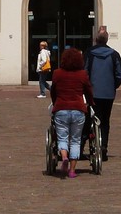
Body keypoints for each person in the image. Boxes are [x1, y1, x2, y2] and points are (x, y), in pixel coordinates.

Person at [49, 46, 92, 179]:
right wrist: (91, 102)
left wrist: (55, 102)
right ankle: (72, 171)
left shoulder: (57, 73)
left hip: (61, 109)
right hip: (78, 109)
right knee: (75, 140)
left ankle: (64, 156)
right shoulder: (82, 74)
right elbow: (88, 91)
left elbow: (53, 91)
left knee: (62, 137)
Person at [85, 28, 121, 161]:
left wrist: (87, 86)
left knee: (92, 119)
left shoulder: (90, 53)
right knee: (105, 121)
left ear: (96, 39)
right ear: (107, 40)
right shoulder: (114, 54)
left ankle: (93, 144)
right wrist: (114, 85)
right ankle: (103, 147)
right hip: (108, 93)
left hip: (93, 92)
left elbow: (84, 71)